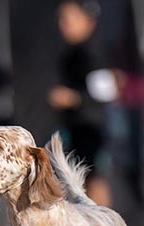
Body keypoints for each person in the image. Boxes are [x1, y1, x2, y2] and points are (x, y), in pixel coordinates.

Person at [49, 0, 114, 207]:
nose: (63, 25)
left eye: (68, 19)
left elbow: (105, 94)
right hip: (77, 127)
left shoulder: (92, 52)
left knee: (93, 175)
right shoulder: (71, 51)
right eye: (61, 20)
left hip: (92, 128)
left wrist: (73, 98)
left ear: (88, 20)